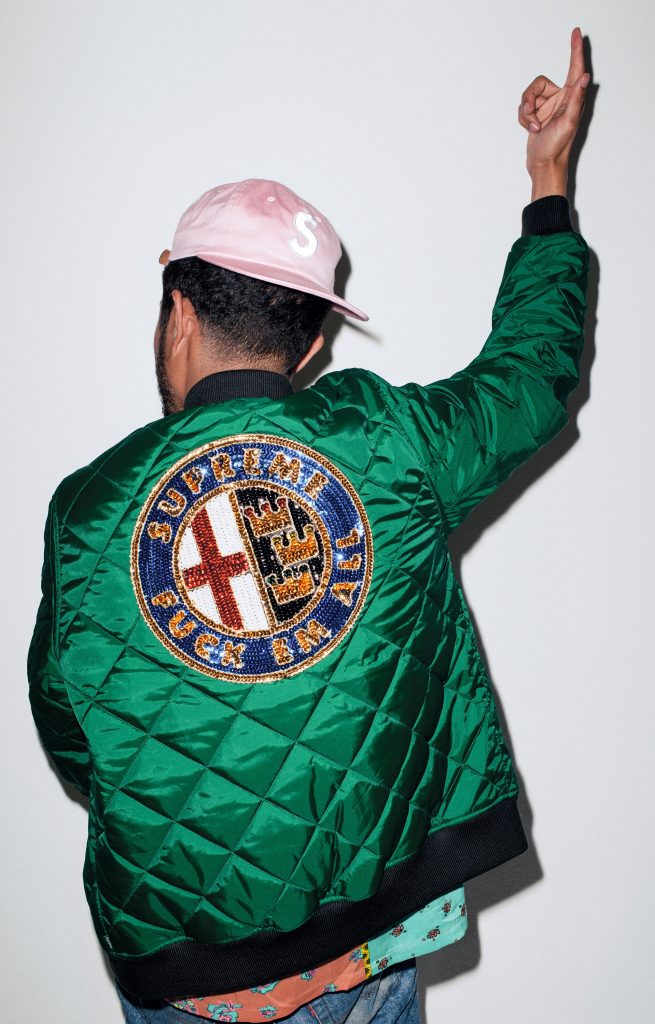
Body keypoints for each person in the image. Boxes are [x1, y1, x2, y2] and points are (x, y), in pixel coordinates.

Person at [28, 26, 591, 1024]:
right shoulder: (387, 440)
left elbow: (69, 732)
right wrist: (547, 181)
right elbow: (529, 375)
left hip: (188, 974)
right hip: (365, 956)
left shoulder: (90, 509)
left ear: (178, 306)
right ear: (314, 341)